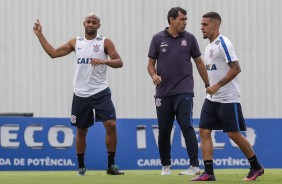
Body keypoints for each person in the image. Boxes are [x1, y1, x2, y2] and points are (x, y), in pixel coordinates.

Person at [33, 13, 125, 176]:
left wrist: (105, 61)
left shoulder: (105, 42)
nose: (90, 24)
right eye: (88, 22)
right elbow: (53, 53)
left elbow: (119, 62)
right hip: (81, 94)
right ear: (84, 23)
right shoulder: (76, 42)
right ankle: (81, 166)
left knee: (111, 125)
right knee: (81, 131)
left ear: (98, 25)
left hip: (101, 92)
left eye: (94, 22)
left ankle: (111, 165)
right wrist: (40, 34)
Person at [191, 12, 264, 181]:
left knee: (233, 134)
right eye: (201, 24)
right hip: (212, 99)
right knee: (203, 130)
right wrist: (210, 86)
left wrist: (217, 85)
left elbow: (236, 68)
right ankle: (209, 173)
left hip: (227, 98)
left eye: (205, 24)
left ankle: (256, 167)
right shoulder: (209, 46)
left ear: (215, 26)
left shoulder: (223, 43)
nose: (201, 27)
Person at [147, 7, 210, 176]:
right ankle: (166, 166)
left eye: (186, 20)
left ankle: (194, 166)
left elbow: (198, 63)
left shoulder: (189, 39)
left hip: (184, 90)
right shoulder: (157, 38)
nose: (185, 22)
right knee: (164, 130)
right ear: (171, 20)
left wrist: (207, 84)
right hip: (163, 92)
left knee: (186, 125)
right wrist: (153, 75)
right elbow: (150, 64)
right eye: (182, 19)